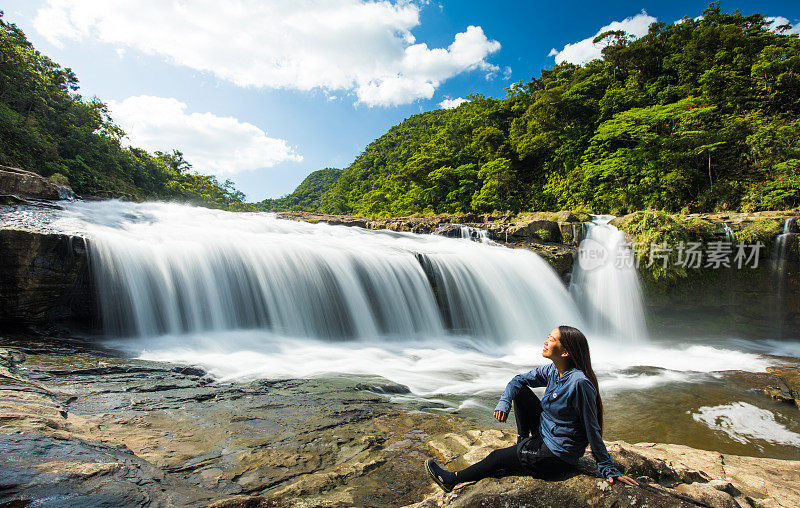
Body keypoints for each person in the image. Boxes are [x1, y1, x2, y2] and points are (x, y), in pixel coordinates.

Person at [425, 325, 638, 492]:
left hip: (556, 454)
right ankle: (523, 443)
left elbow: (592, 428)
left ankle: (451, 480)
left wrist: (607, 467)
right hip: (545, 433)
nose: (545, 342)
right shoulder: (553, 370)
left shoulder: (578, 383)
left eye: (552, 340)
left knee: (497, 457)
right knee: (521, 390)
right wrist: (504, 402)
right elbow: (518, 380)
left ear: (565, 352)